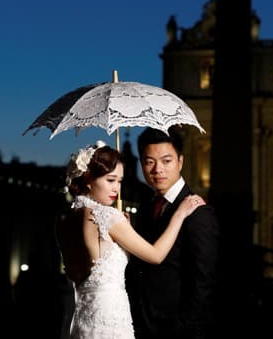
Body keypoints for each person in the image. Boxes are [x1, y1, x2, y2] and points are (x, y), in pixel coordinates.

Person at [56, 140, 206, 339]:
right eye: (110, 180)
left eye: (119, 181)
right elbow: (155, 255)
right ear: (89, 178)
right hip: (110, 315)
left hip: (82, 315)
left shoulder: (64, 220)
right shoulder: (108, 216)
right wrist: (179, 214)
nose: (116, 188)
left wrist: (119, 230)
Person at [128, 127, 220, 339]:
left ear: (180, 161)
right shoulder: (146, 206)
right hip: (143, 325)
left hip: (176, 330)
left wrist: (183, 327)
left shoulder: (198, 211)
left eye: (166, 161)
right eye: (149, 161)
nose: (157, 169)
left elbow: (204, 280)